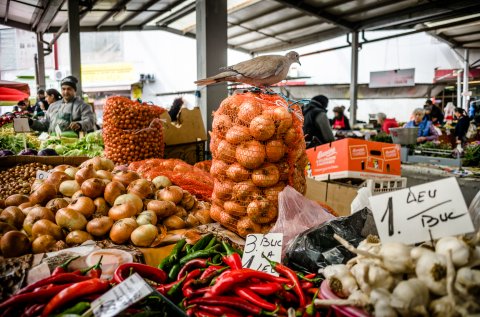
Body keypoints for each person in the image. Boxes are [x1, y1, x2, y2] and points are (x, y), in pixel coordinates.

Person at [30, 76, 96, 134]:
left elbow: (90, 121)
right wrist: (31, 122)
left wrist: (80, 124)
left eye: (69, 89)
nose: (66, 92)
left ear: (74, 90)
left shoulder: (83, 106)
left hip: (72, 145)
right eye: (63, 89)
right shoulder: (52, 106)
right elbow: (45, 124)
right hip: (53, 142)